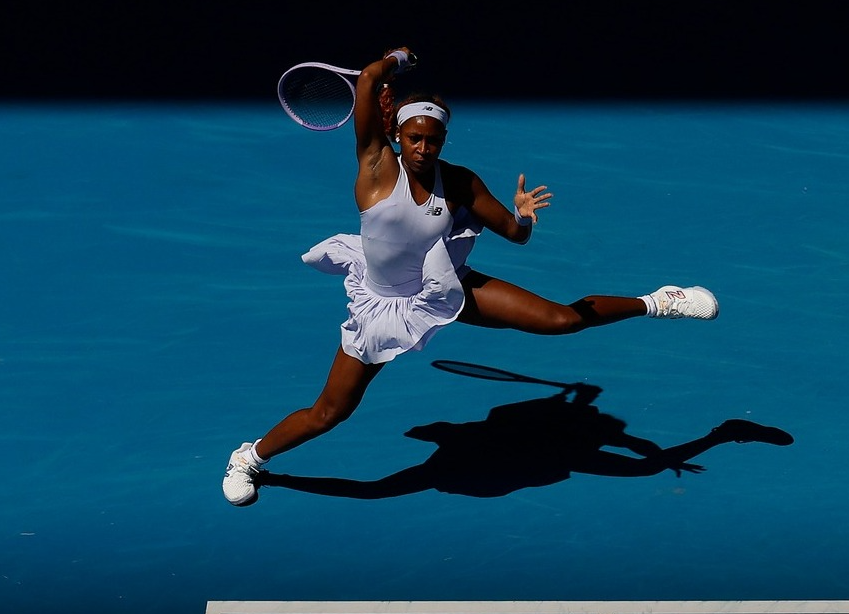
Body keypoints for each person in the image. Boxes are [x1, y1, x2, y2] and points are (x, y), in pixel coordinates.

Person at [223, 47, 720, 506]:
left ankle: (658, 300)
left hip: (447, 287)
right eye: (414, 138)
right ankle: (250, 457)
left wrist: (522, 216)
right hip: (384, 307)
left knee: (563, 321)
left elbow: (515, 235)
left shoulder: (459, 181)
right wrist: (396, 58)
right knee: (329, 414)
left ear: (443, 140)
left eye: (432, 140)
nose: (422, 148)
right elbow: (371, 78)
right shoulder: (375, 164)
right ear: (395, 133)